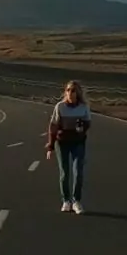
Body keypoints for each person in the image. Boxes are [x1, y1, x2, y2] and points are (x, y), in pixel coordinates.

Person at [46, 80, 92, 213]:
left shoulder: (83, 107)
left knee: (78, 172)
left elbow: (88, 123)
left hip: (78, 142)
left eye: (73, 91)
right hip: (62, 143)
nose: (70, 93)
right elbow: (53, 126)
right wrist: (50, 146)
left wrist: (81, 127)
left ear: (78, 93)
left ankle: (76, 201)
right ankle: (66, 200)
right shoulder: (60, 107)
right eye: (68, 90)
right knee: (65, 173)